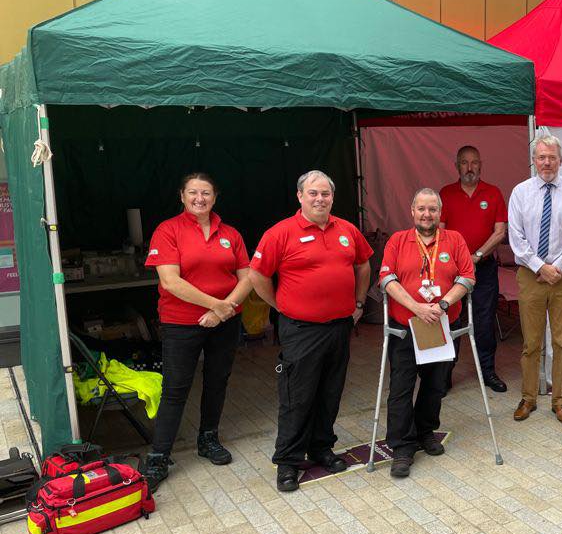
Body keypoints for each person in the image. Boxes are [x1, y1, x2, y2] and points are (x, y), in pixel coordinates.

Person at [250, 170, 372, 492]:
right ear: (300, 196)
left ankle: (321, 448)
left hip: (339, 326)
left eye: (325, 194)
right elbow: (257, 275)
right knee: (296, 396)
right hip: (301, 329)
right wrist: (280, 306)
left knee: (330, 391)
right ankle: (288, 461)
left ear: (333, 197)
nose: (320, 199)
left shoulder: (347, 230)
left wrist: (359, 303)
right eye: (313, 193)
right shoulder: (280, 233)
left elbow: (363, 264)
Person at [144, 173, 252, 486]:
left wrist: (223, 310)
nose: (199, 198)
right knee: (176, 388)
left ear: (215, 197)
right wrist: (216, 305)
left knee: (217, 380)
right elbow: (170, 281)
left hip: (224, 322)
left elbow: (247, 277)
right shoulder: (168, 230)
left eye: (205, 193)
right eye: (193, 192)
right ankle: (159, 456)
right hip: (181, 322)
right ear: (182, 196)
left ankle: (208, 439)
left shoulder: (230, 233)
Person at [379, 189, 474, 478]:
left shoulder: (454, 239)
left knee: (435, 385)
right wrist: (416, 307)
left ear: (439, 212)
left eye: (432, 209)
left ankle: (425, 431)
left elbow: (468, 277)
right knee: (401, 389)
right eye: (421, 209)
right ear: (412, 211)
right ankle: (402, 447)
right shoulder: (398, 240)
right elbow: (386, 279)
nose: (426, 214)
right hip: (407, 328)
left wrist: (443, 304)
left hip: (443, 325)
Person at [507, 134, 562, 425]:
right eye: (541, 157)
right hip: (531, 275)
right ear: (534, 160)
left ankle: (560, 400)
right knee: (530, 342)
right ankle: (528, 398)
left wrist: (558, 267)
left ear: (561, 161)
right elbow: (515, 238)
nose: (546, 162)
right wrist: (541, 267)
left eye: (551, 157)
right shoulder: (520, 192)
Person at [439, 145, 508, 392]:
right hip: (453, 270)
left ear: (481, 165)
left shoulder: (493, 193)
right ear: (457, 166)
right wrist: (459, 258)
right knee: (452, 320)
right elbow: (440, 231)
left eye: (474, 162)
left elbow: (500, 232)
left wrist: (477, 255)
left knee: (485, 320)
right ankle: (444, 376)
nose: (470, 167)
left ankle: (488, 372)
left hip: (484, 267)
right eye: (465, 162)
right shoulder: (445, 193)